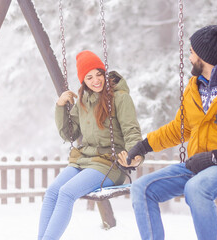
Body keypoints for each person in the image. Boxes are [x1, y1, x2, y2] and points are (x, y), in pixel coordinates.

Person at [119, 25, 217, 240]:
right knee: (142, 188)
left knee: (196, 189)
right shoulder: (194, 87)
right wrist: (143, 146)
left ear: (204, 57)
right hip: (198, 164)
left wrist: (215, 157)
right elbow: (180, 128)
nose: (188, 57)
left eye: (191, 52)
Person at [38, 50, 143, 240]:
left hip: (109, 164)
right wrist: (61, 106)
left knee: (66, 193)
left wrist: (135, 153)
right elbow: (69, 134)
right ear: (83, 81)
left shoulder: (120, 98)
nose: (96, 80)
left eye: (99, 74)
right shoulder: (83, 101)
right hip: (84, 159)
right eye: (89, 77)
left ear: (104, 73)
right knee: (52, 192)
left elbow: (131, 130)